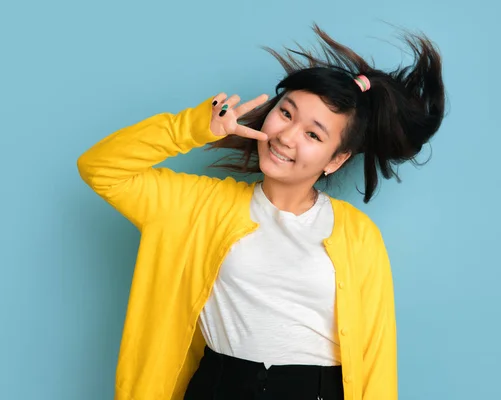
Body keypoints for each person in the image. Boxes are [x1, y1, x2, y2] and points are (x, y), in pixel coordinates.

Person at [77, 24, 445, 400]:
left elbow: (375, 354)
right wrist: (190, 129)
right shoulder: (195, 206)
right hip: (218, 387)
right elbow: (100, 169)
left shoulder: (358, 234)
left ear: (336, 160)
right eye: (286, 113)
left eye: (314, 135)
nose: (287, 136)